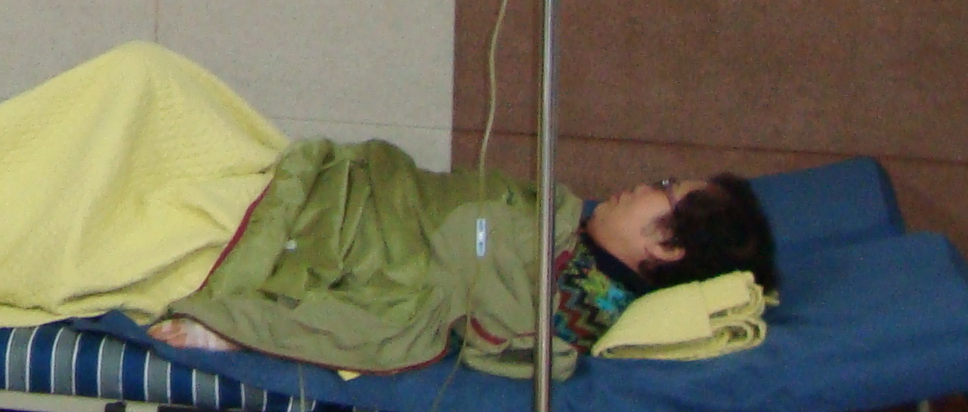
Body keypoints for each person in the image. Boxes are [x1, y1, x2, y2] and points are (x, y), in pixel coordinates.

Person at [148, 148, 778, 375]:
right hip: (338, 186)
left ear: (667, 246)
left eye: (664, 189)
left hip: (330, 231)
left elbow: (407, 311)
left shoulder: (558, 308)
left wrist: (234, 327)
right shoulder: (561, 226)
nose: (643, 185)